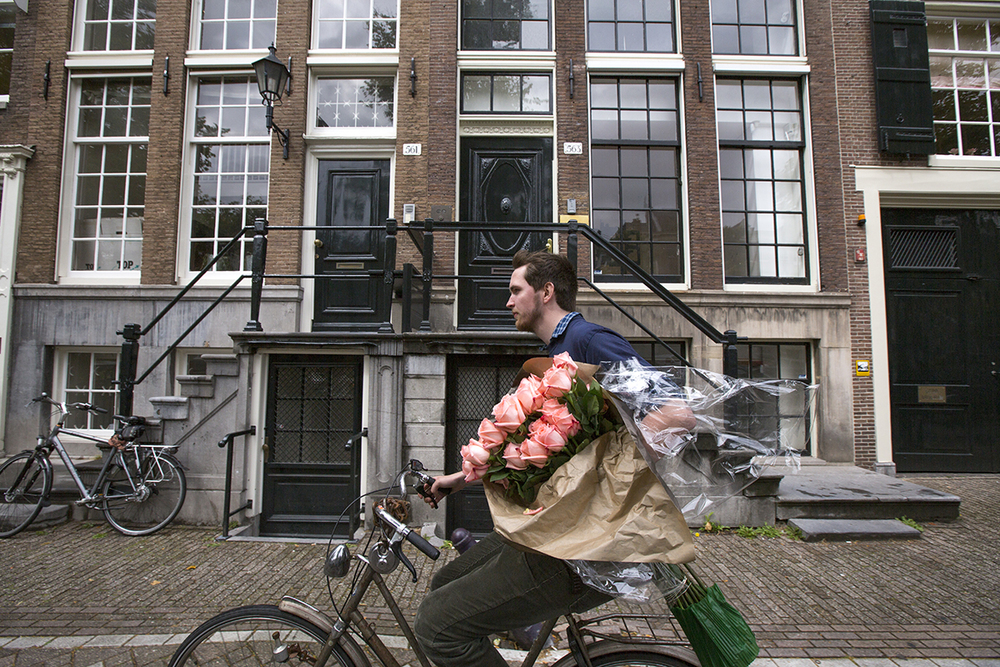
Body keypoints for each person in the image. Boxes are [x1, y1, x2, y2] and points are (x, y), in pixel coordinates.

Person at [413, 250, 694, 667]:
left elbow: (677, 413)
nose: (507, 302)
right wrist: (457, 478)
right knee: (445, 582)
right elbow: (535, 447)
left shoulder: (588, 342)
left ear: (545, 292)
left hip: (582, 545)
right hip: (554, 526)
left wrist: (606, 469)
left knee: (436, 627)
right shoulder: (556, 351)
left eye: (515, 291)